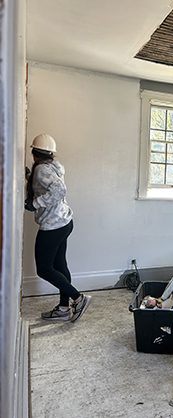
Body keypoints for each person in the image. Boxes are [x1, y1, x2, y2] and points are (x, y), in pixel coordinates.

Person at [25, 133, 91, 322]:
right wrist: (29, 175)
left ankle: (78, 298)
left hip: (53, 225)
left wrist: (35, 204)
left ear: (34, 153)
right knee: (60, 266)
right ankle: (63, 309)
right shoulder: (52, 167)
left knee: (44, 269)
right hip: (64, 222)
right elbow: (47, 185)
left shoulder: (42, 170)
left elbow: (59, 190)